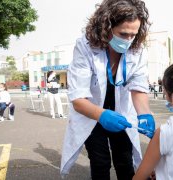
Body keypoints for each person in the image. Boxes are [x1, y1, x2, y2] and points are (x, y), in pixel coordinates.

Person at [60, 0, 155, 179]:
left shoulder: (138, 50)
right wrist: (101, 115)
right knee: (100, 162)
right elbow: (78, 97)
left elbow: (138, 85)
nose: (128, 40)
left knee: (125, 160)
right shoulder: (85, 47)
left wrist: (144, 113)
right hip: (92, 113)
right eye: (123, 34)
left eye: (133, 34)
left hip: (123, 114)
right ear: (106, 27)